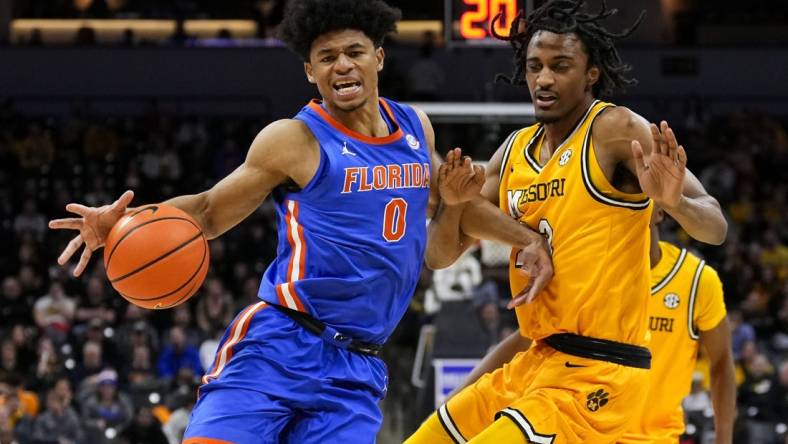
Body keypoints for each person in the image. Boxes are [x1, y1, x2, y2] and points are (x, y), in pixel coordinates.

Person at [48, 0, 551, 442]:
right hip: (281, 343)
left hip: (357, 366)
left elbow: (441, 244)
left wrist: (525, 238)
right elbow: (206, 212)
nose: (342, 66)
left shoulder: (415, 128)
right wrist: (120, 223)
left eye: (354, 52)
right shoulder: (294, 139)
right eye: (326, 58)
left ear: (378, 57)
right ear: (310, 72)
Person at [406, 1, 727, 443]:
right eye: (535, 66)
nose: (544, 79)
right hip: (536, 360)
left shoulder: (616, 130)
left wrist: (677, 204)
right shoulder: (513, 151)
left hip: (601, 372)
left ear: (591, 72)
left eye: (561, 66)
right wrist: (456, 204)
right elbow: (440, 256)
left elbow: (716, 226)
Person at [618, 208, 735, 443]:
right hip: (589, 432)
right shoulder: (590, 273)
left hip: (658, 437)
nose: (627, 205)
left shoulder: (696, 280)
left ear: (659, 211)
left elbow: (721, 360)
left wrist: (724, 439)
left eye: (637, 195)